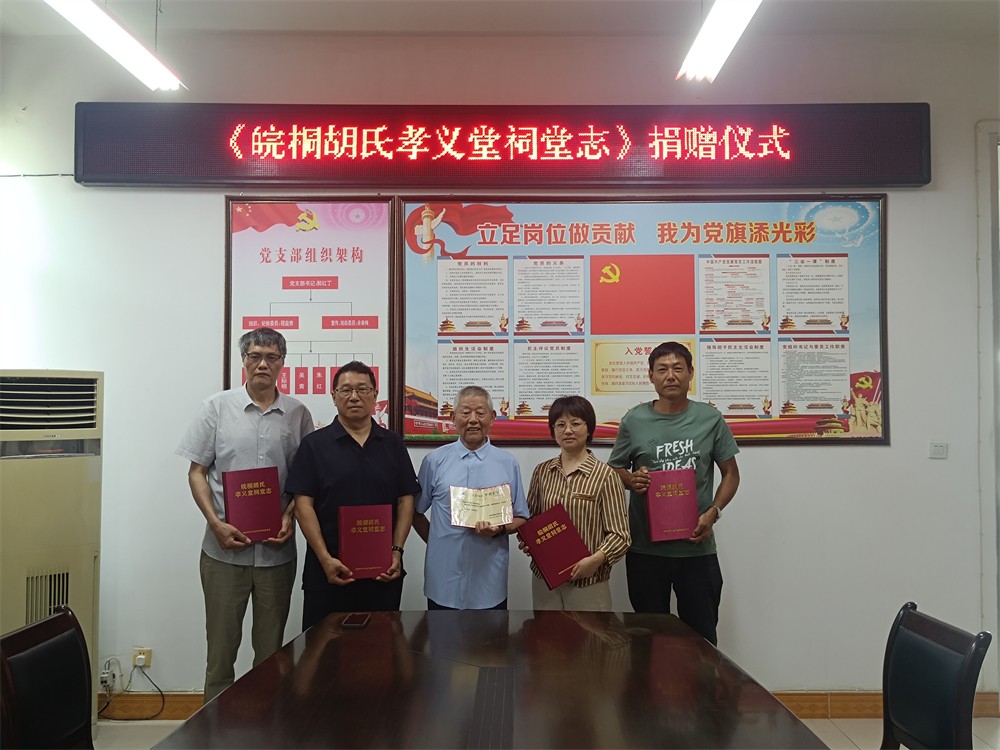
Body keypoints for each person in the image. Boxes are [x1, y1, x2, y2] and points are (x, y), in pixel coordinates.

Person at [176, 327, 314, 702]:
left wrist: (289, 516)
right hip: (223, 552)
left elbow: (304, 481)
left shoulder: (298, 414)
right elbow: (196, 472)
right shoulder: (216, 408)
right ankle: (213, 727)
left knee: (270, 656)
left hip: (276, 554)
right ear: (244, 361)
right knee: (220, 655)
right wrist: (215, 524)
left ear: (282, 363)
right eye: (255, 356)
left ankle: (267, 727)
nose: (262, 364)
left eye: (271, 357)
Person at [608, 341, 740, 645]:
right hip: (645, 550)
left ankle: (700, 682)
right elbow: (614, 469)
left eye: (678, 368)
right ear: (651, 375)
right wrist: (631, 480)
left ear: (690, 373)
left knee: (702, 640)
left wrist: (714, 512)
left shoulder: (710, 419)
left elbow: (731, 474)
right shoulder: (634, 420)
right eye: (662, 369)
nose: (670, 375)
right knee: (648, 641)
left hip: (696, 549)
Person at [285, 361, 418, 630]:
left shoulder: (393, 443)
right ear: (333, 396)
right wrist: (325, 559)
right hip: (327, 572)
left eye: (362, 389)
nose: (354, 396)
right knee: (323, 649)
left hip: (383, 572)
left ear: (375, 395)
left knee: (381, 647)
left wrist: (397, 551)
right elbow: (302, 506)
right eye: (345, 390)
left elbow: (406, 499)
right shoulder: (314, 446)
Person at [412, 386, 529, 609]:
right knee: (441, 632)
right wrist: (437, 542)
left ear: (492, 417)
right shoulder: (434, 461)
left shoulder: (508, 463)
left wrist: (499, 530)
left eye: (480, 413)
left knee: (491, 633)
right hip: (443, 580)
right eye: (465, 412)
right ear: (453, 417)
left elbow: (522, 517)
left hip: (489, 581)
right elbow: (415, 511)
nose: (473, 420)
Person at [521, 395, 630, 611]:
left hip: (589, 582)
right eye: (560, 425)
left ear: (589, 428)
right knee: (546, 632)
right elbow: (530, 520)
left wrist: (596, 560)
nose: (568, 430)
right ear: (553, 430)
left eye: (576, 423)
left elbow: (621, 536)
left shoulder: (606, 476)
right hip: (546, 580)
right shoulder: (542, 472)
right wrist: (529, 541)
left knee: (590, 635)